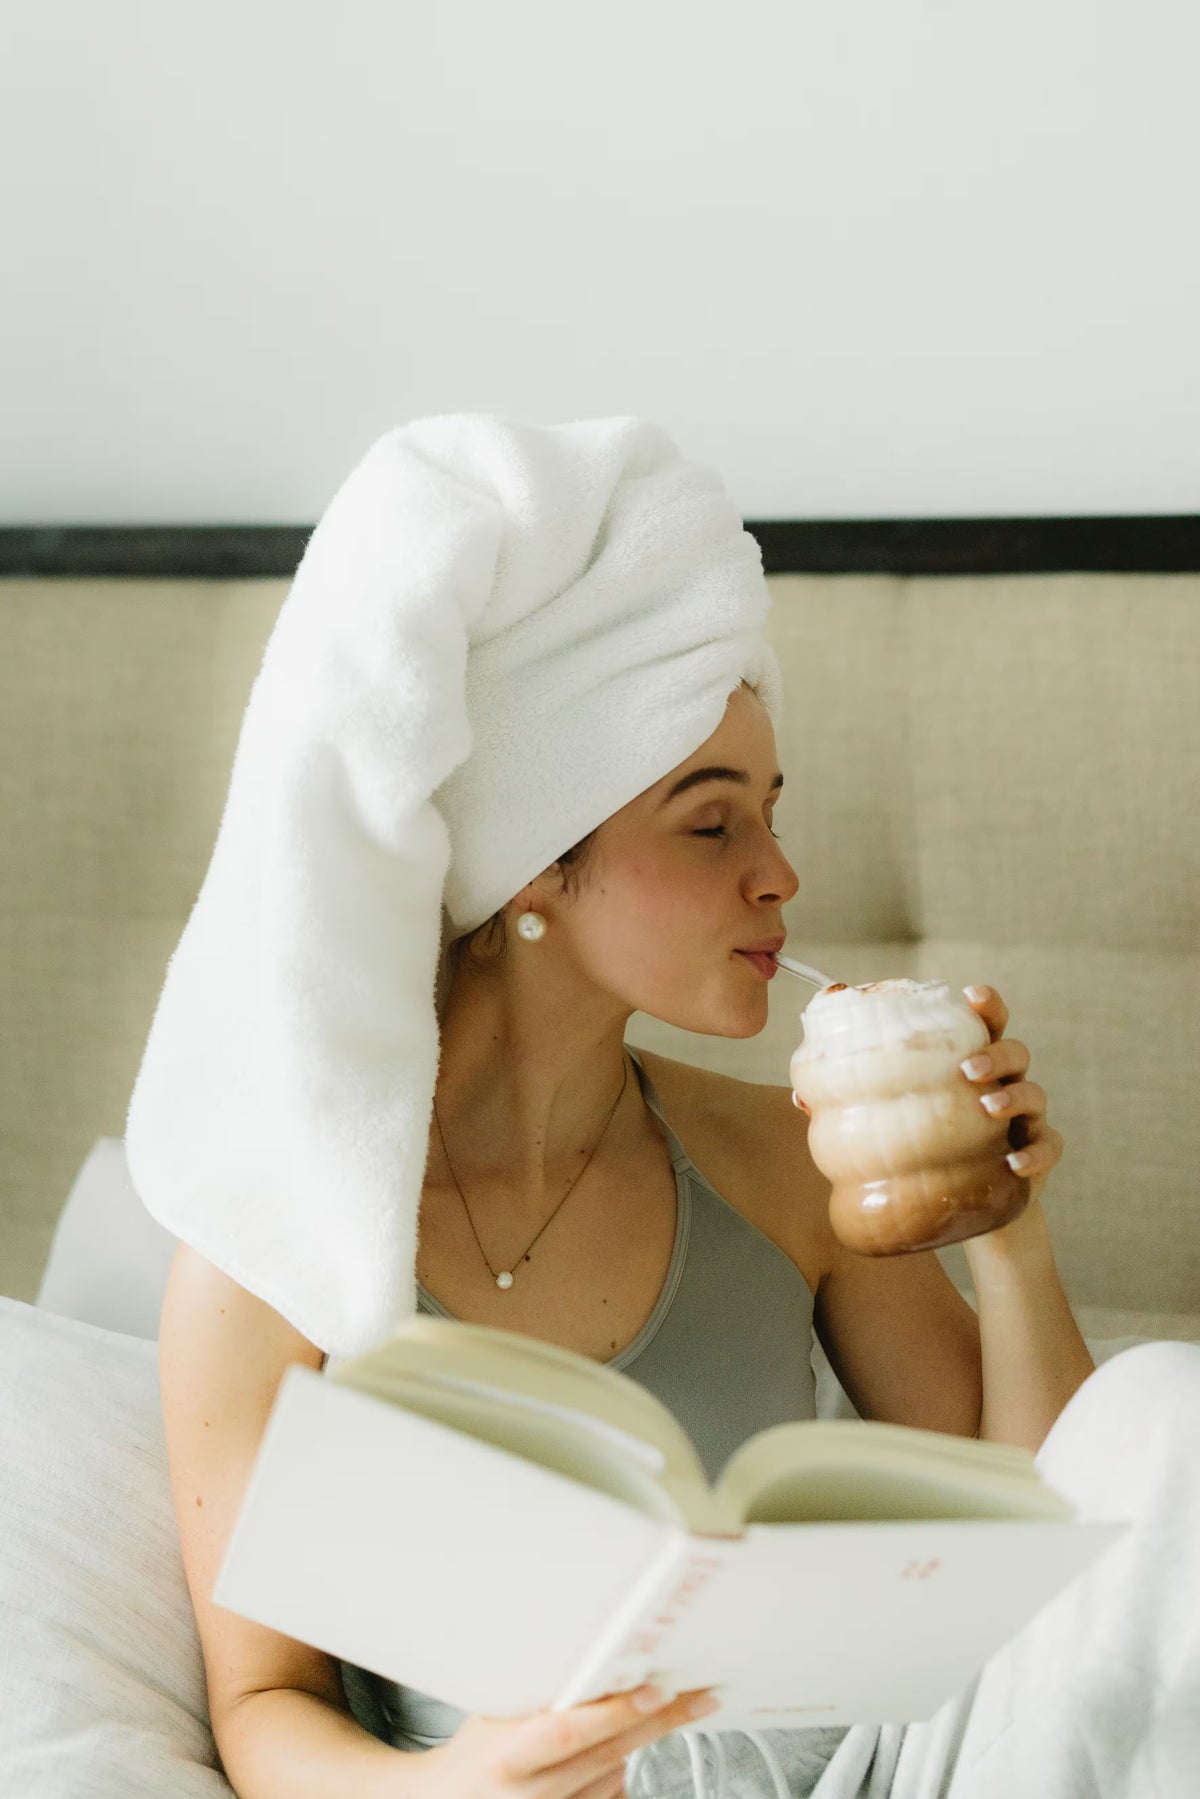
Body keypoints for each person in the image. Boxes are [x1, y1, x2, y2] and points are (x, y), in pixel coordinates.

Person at [148, 417, 1200, 1798]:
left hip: (866, 1780)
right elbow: (264, 1703)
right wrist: (449, 1789)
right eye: (714, 824)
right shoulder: (276, 1235)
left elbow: (1040, 1566)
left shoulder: (780, 1159)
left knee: (1164, 1410)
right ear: (533, 866)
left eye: (771, 812)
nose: (782, 876)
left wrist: (1005, 1230)